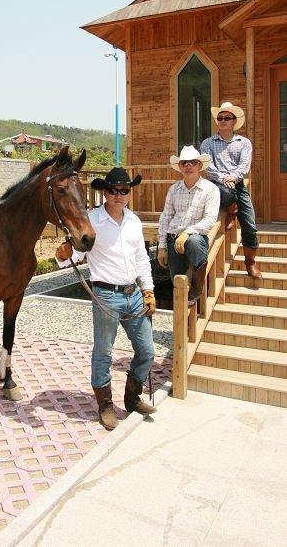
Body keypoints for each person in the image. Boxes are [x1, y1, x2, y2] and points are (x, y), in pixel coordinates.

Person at [55, 166, 156, 431]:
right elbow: (75, 255)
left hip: (133, 294)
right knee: (103, 353)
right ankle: (106, 406)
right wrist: (63, 254)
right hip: (105, 295)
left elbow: (141, 259)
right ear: (105, 192)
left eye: (124, 190)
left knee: (147, 350)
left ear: (129, 192)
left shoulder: (134, 220)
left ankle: (132, 398)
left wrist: (149, 290)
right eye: (113, 190)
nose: (119, 195)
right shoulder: (92, 220)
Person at [200, 102, 262, 279]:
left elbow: (244, 166)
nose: (222, 120)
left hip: (238, 185)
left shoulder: (244, 143)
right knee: (225, 192)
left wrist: (233, 177)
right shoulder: (207, 143)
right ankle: (231, 208)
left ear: (234, 121)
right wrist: (222, 178)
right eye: (219, 118)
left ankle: (250, 263)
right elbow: (207, 166)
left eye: (226, 118)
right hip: (216, 186)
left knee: (250, 226)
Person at [158, 146, 220, 306]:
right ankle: (184, 327)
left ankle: (198, 288)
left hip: (195, 239)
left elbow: (210, 220)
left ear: (199, 165)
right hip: (173, 239)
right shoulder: (173, 189)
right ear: (180, 167)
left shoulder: (211, 189)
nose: (188, 166)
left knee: (193, 242)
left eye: (193, 162)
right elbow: (165, 217)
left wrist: (187, 233)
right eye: (184, 163)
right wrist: (162, 247)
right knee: (178, 286)